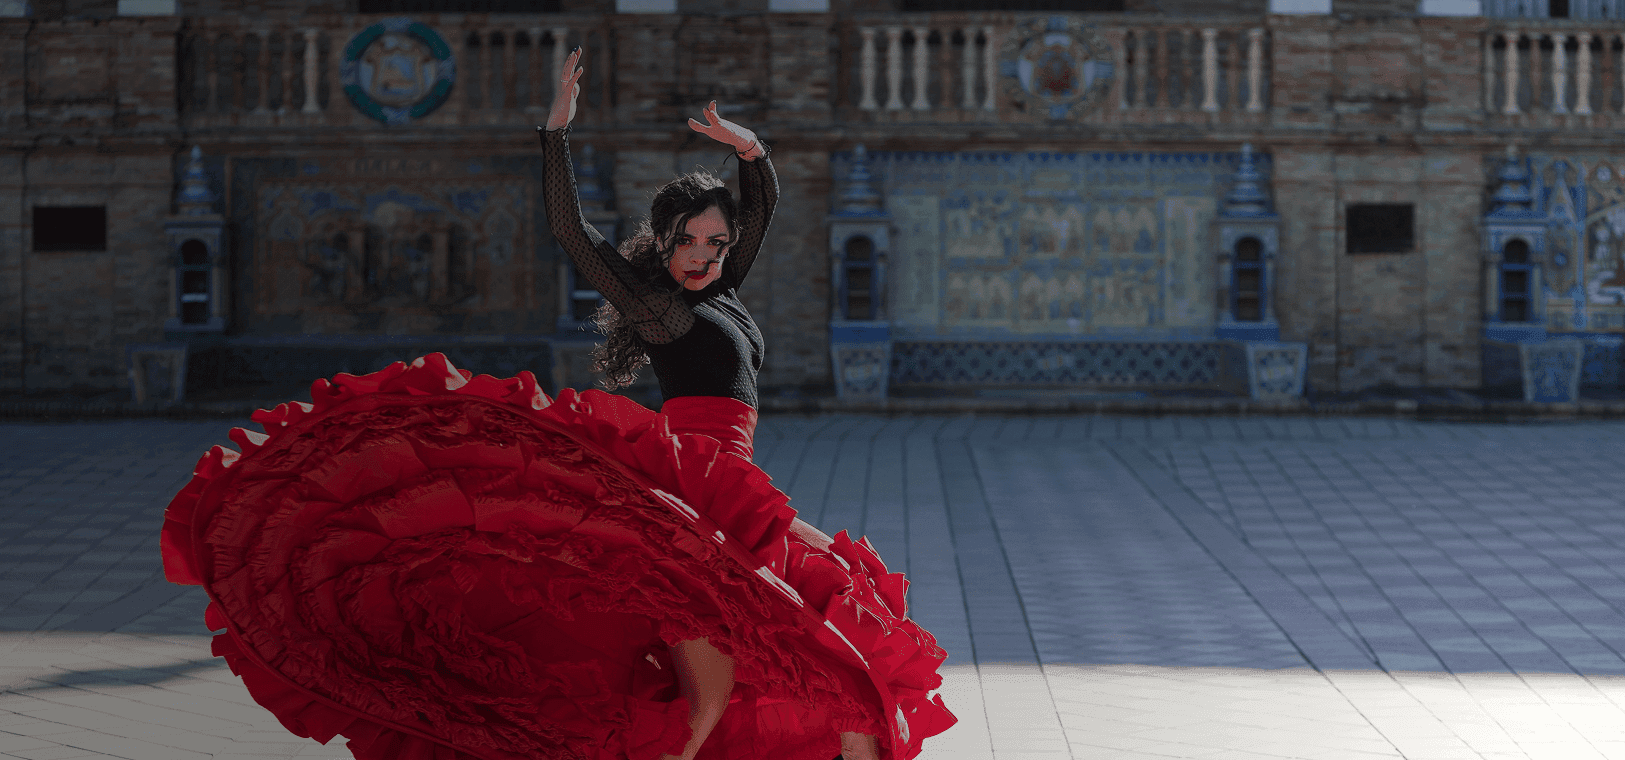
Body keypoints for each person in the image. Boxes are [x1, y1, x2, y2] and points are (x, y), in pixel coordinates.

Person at [159, 46, 953, 760]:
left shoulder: (724, 288)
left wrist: (751, 151)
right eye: (688, 242)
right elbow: (573, 236)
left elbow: (760, 212)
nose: (704, 256)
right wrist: (555, 135)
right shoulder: (660, 307)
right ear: (664, 239)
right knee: (751, 676)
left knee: (835, 633)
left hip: (731, 491)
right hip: (692, 497)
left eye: (715, 243)